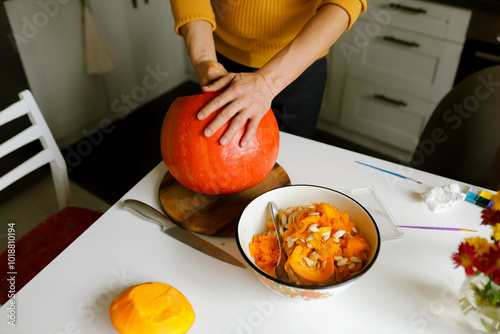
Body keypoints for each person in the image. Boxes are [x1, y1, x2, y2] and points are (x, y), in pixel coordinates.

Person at [169, 0, 367, 147]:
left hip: (298, 66)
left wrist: (268, 82)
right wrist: (204, 59)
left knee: (292, 154)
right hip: (220, 59)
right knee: (220, 148)